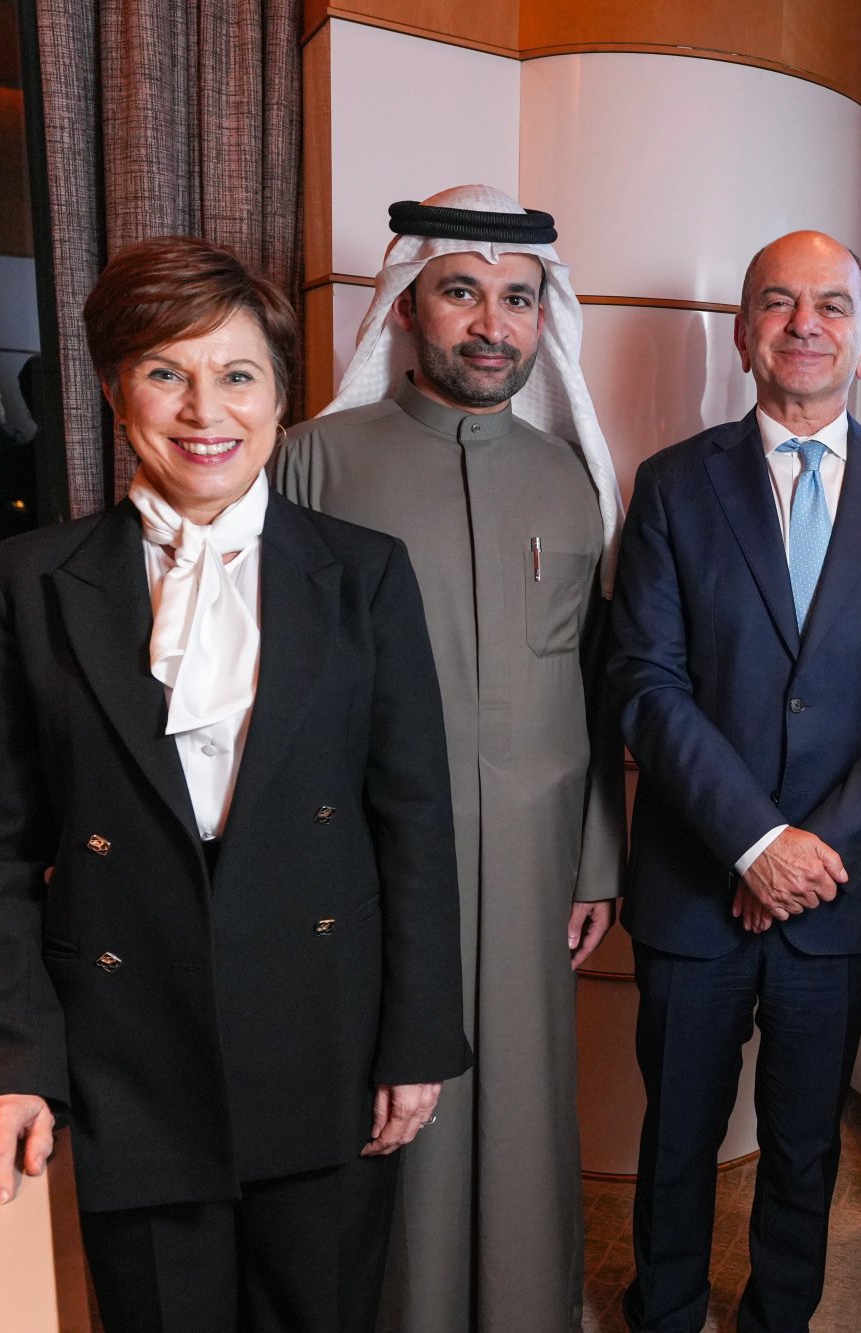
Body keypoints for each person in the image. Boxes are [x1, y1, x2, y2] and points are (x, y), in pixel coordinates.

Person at [0, 236, 472, 1332]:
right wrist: (0, 1058)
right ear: (114, 391)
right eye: (165, 372)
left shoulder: (365, 573)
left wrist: (415, 1039)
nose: (203, 409)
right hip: (129, 1050)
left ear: (280, 396)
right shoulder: (29, 578)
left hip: (326, 1042)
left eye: (237, 374)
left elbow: (413, 821)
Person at [275, 184, 625, 1333]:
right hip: (368, 865)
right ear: (405, 308)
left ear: (542, 318)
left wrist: (594, 858)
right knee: (386, 1105)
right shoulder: (312, 463)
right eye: (461, 292)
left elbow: (591, 680)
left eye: (517, 299)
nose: (491, 323)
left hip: (534, 860)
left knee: (524, 1097)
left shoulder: (569, 476)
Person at [608, 230, 861, 1332]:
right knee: (678, 1134)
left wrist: (811, 850)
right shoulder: (672, 484)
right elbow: (644, 680)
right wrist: (755, 842)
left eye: (831, 306)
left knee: (806, 1142)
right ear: (742, 334)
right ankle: (664, 1312)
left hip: (840, 890)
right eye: (777, 301)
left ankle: (780, 1316)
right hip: (694, 879)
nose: (804, 323)